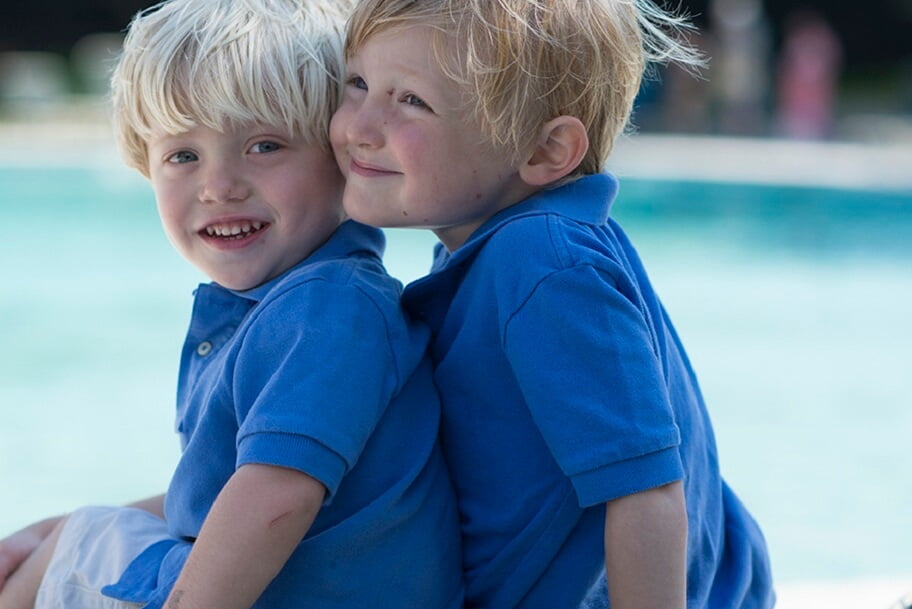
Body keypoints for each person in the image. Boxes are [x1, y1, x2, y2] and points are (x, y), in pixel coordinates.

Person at [0, 1, 464, 608]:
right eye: (183, 156)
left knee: (69, 552)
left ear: (344, 154)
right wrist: (54, 532)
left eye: (266, 145)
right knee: (76, 536)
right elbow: (219, 498)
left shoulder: (327, 308)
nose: (219, 186)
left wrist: (66, 545)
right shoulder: (281, 306)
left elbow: (274, 498)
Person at [328, 1, 775, 608]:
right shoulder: (495, 250)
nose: (359, 125)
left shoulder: (541, 259)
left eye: (411, 101)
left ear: (544, 152)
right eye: (357, 84)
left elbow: (647, 490)